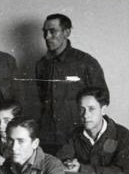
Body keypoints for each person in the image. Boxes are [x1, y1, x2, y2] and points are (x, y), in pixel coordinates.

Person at [56, 86, 129, 174]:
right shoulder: (74, 135)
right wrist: (68, 164)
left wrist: (81, 168)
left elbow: (121, 172)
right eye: (81, 109)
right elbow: (61, 158)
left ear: (103, 110)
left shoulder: (122, 134)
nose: (85, 115)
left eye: (91, 109)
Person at [36, 13, 107, 145]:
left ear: (67, 32)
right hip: (48, 137)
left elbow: (102, 99)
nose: (47, 37)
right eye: (45, 32)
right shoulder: (41, 65)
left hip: (77, 138)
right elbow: (40, 101)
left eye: (52, 31)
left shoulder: (86, 62)